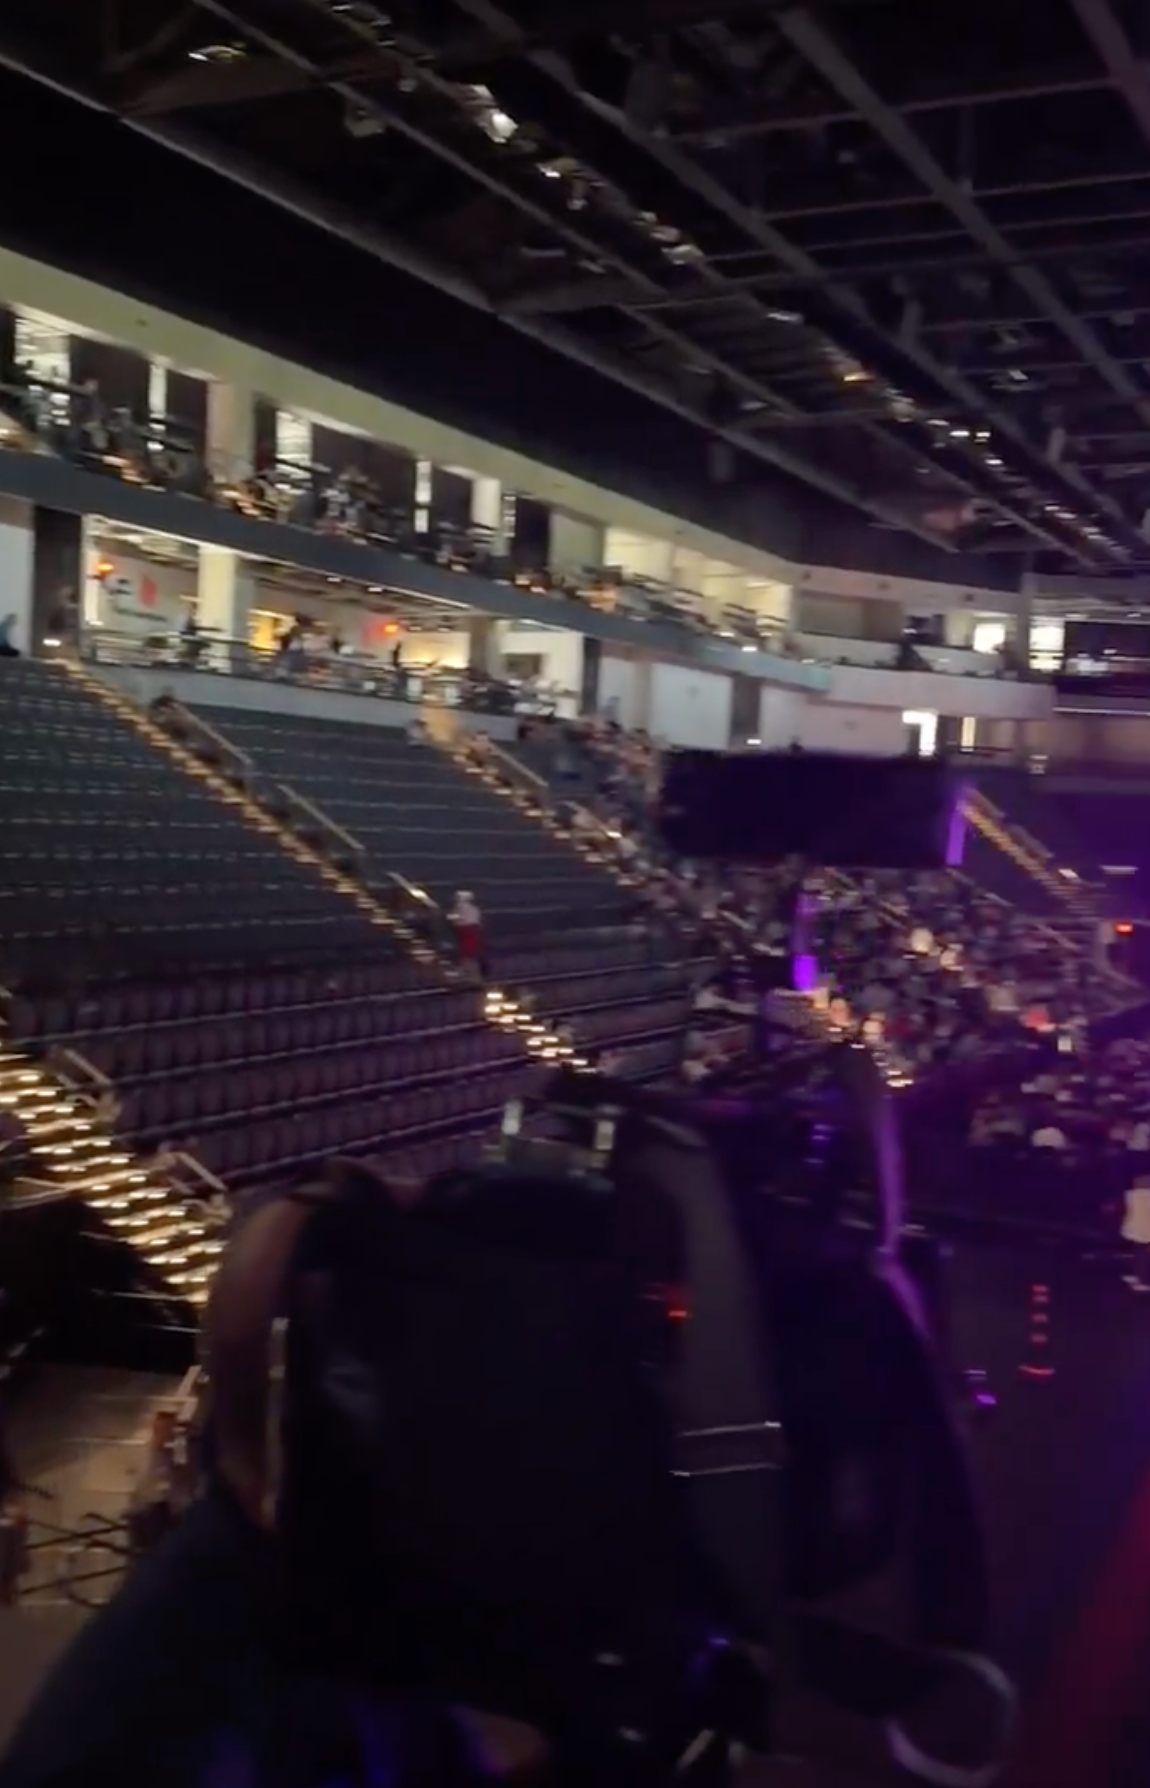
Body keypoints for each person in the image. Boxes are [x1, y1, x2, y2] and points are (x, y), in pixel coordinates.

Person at [1121, 1173, 1150, 1291]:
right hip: (1144, 1229)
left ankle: (1141, 1278)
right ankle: (1141, 1278)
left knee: (1141, 1251)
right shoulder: (1140, 1197)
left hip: (1140, 1228)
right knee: (1142, 1252)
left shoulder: (1135, 1196)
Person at [448, 890, 485, 977]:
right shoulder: (474, 908)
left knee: (466, 950)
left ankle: (464, 969)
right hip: (472, 929)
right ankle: (469, 969)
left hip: (464, 929)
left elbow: (454, 917)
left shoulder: (459, 907)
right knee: (470, 949)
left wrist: (450, 918)